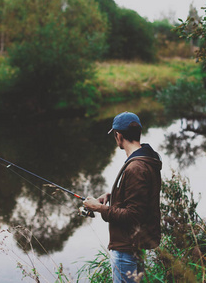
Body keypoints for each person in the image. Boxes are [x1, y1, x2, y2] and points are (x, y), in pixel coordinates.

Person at [83, 111, 162, 283]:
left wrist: (99, 208)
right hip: (135, 242)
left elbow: (134, 214)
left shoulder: (136, 167)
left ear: (118, 136)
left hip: (126, 247)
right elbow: (141, 197)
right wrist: (112, 196)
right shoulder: (146, 158)